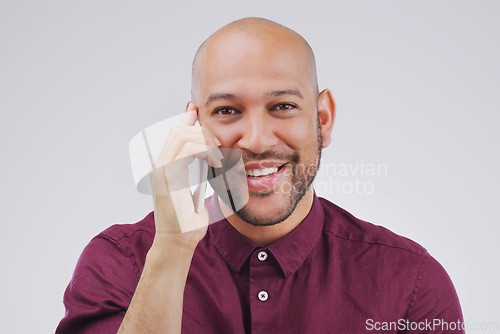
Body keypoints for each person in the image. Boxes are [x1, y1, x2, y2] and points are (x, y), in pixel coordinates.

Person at [56, 17, 464, 333]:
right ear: (192, 127)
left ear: (323, 119)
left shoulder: (413, 283)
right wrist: (173, 249)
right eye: (227, 111)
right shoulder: (117, 264)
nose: (255, 140)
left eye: (283, 106)